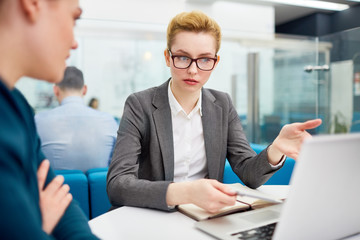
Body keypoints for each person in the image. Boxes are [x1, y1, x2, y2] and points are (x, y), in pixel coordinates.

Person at [107, 11, 322, 213]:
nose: (193, 70)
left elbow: (249, 173)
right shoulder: (140, 104)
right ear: (167, 57)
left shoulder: (222, 104)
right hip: (154, 217)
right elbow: (117, 184)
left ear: (215, 61)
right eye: (182, 57)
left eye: (204, 60)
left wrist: (276, 149)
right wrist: (186, 192)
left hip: (206, 217)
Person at [0, 0, 98, 238]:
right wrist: (38, 225)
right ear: (33, 4)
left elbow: (62, 204)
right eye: (73, 18)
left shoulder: (17, 107)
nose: (74, 42)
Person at [35, 67, 118, 172]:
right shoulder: (109, 121)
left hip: (56, 187)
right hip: (101, 188)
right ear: (85, 90)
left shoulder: (37, 122)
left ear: (56, 90)